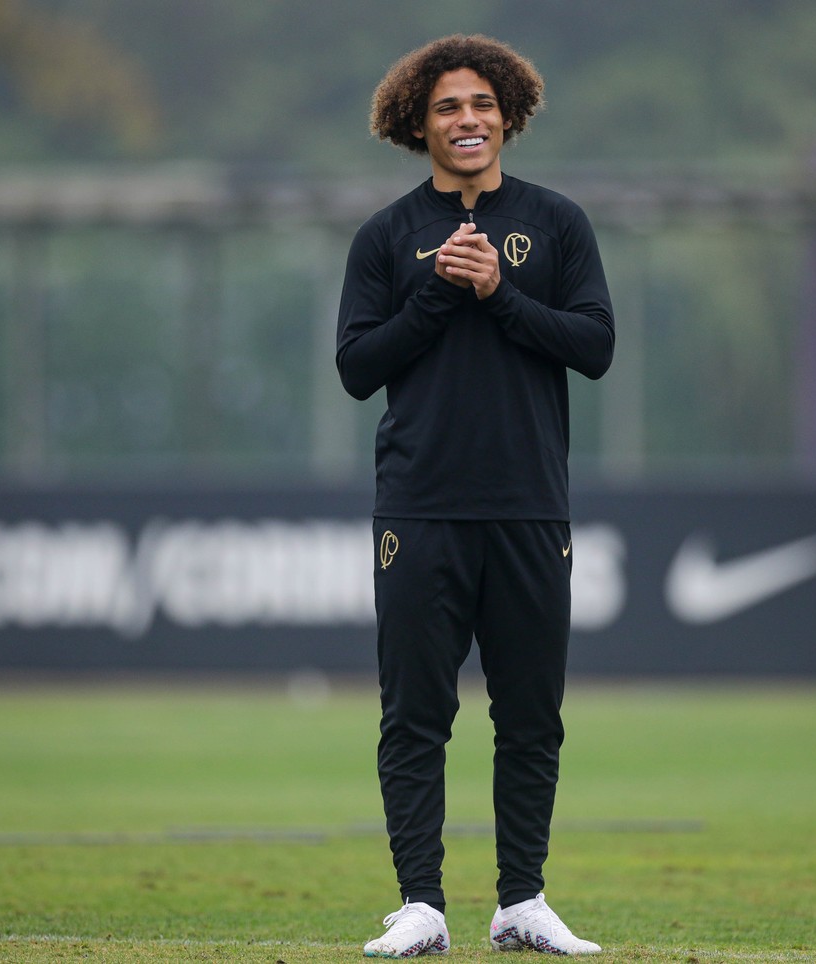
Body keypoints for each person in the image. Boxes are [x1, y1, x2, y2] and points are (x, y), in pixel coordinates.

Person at [336, 34, 614, 958]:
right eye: (449, 107)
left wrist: (496, 289)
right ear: (417, 121)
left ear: (510, 117)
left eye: (483, 105)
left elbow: (594, 346)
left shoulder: (559, 223)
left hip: (531, 505)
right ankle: (420, 904)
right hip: (418, 509)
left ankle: (522, 901)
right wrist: (435, 297)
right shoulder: (385, 236)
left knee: (531, 713)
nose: (468, 120)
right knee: (415, 713)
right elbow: (355, 368)